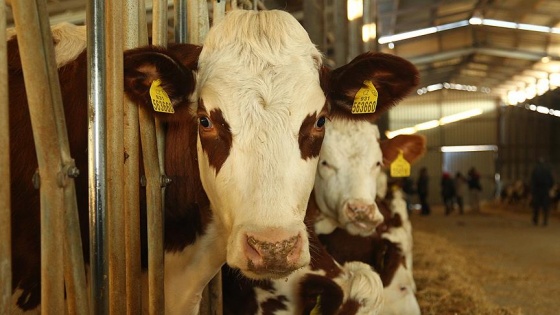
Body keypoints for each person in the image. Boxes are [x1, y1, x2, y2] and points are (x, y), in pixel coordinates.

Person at [530, 158, 555, 226]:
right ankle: (545, 221)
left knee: (536, 206)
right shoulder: (548, 170)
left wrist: (533, 191)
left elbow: (533, 181)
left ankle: (535, 221)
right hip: (545, 190)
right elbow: (552, 181)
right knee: (545, 206)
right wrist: (549, 187)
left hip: (537, 190)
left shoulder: (535, 170)